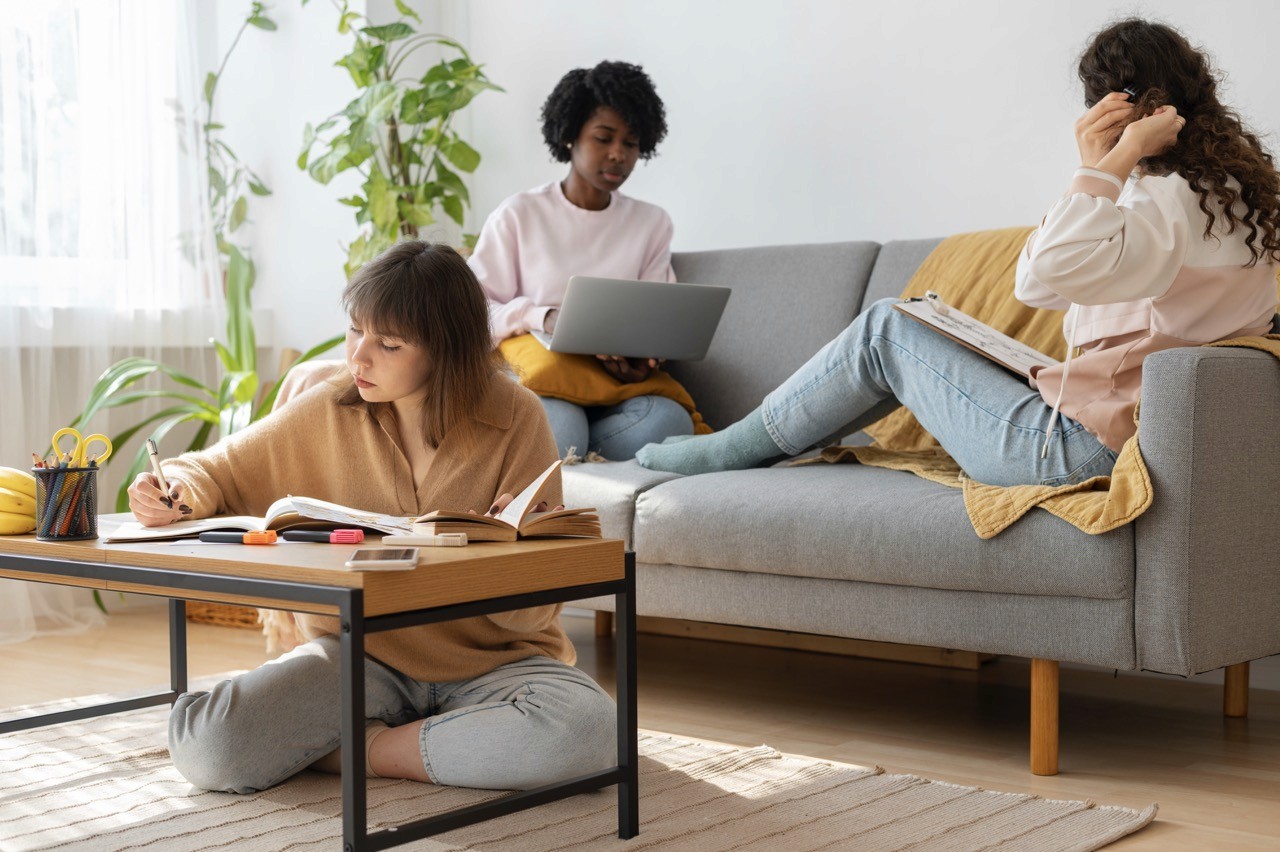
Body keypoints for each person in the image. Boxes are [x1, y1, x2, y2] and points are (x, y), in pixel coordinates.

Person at [638, 19, 1280, 486]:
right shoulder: (1236, 198)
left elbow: (1039, 279)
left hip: (1079, 450)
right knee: (924, 320)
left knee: (887, 328)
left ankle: (725, 451)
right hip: (1114, 429)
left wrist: (1108, 161)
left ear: (1117, 110)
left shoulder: (1164, 200)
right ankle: (748, 448)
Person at [128, 242, 615, 793]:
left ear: (445, 350)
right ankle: (445, 746)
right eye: (355, 331)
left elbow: (534, 614)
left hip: (497, 663)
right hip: (361, 654)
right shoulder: (329, 405)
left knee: (589, 732)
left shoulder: (516, 416)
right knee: (208, 745)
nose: (358, 357)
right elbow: (212, 469)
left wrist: (504, 557)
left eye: (387, 344)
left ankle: (366, 748)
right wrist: (170, 490)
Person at [469, 60, 694, 460]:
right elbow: (472, 314)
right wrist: (542, 317)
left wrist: (646, 359)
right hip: (539, 381)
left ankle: (577, 461)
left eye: (630, 143)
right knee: (561, 423)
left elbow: (660, 317)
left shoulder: (652, 223)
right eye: (604, 138)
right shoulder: (519, 214)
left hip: (615, 391)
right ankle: (569, 470)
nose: (618, 155)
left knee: (670, 421)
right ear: (570, 135)